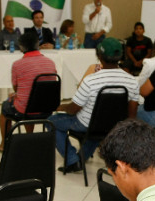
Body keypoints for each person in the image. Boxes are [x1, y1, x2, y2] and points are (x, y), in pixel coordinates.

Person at [50, 38, 140, 173]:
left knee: (51, 122)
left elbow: (73, 109)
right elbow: (132, 114)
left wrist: (60, 107)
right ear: (120, 57)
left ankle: (72, 160)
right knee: (96, 127)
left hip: (88, 124)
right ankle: (80, 159)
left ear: (99, 56)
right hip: (115, 126)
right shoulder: (132, 81)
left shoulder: (91, 80)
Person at [0, 32, 57, 152]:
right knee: (29, 101)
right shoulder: (50, 62)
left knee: (6, 107)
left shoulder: (18, 65)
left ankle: (4, 144)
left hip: (25, 108)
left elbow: (16, 88)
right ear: (38, 44)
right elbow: (50, 85)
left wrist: (16, 94)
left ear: (21, 47)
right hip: (46, 107)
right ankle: (30, 137)